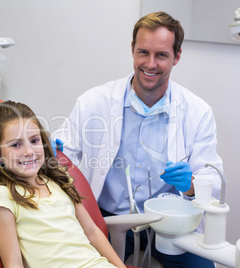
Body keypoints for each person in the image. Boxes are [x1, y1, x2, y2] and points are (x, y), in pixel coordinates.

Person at [54, 11, 223, 267]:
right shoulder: (94, 102)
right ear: (132, 49)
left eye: (161, 55)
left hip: (169, 223)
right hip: (105, 218)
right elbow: (62, 150)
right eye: (143, 52)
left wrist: (190, 185)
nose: (150, 64)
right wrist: (54, 156)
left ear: (177, 57)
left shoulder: (197, 112)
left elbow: (212, 181)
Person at [0, 100, 126, 268]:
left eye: (34, 141)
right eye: (16, 145)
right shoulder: (0, 194)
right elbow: (13, 263)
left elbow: (92, 232)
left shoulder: (59, 180)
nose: (29, 152)